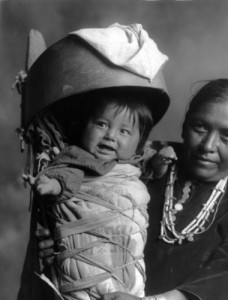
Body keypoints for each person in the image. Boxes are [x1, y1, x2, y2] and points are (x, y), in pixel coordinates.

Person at [38, 79, 228, 300]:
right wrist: (63, 238)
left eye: (227, 136)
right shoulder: (134, 164)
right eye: (199, 128)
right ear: (184, 124)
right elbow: (85, 207)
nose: (208, 146)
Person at [16, 24, 171, 300]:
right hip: (86, 259)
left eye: (124, 131)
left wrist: (160, 163)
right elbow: (67, 175)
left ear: (138, 140)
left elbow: (148, 169)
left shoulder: (133, 163)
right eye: (101, 124)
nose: (110, 136)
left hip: (125, 261)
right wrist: (51, 185)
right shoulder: (78, 157)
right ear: (82, 125)